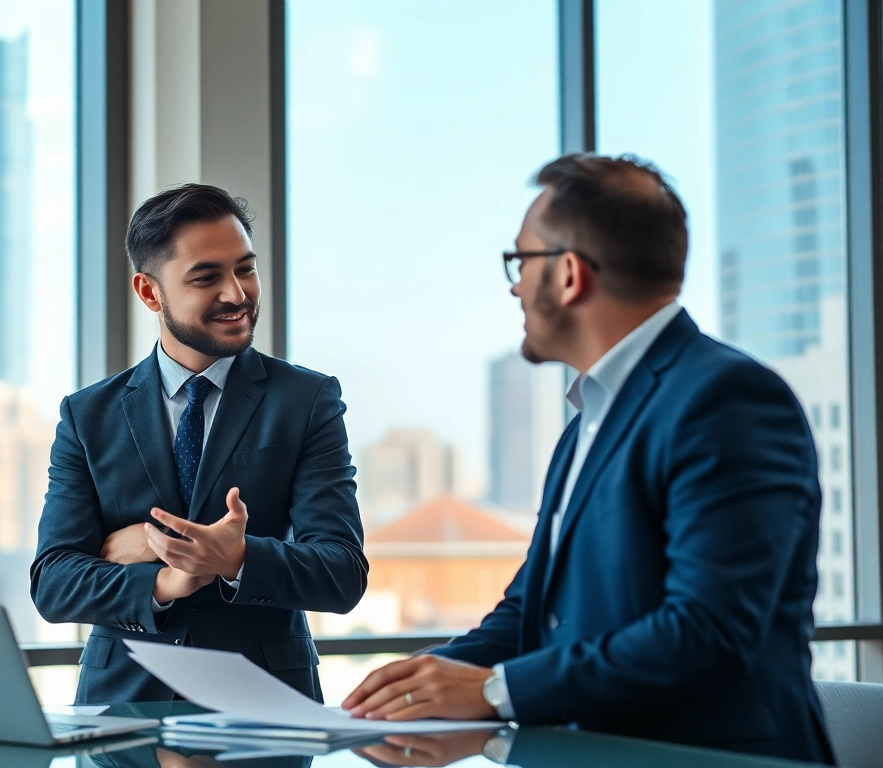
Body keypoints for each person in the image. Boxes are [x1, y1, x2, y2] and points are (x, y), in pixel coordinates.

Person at [342, 154, 835, 763]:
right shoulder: (586, 424)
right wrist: (421, 680)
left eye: (520, 262)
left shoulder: (725, 399)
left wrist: (495, 691)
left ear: (569, 274)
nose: (514, 285)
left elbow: (706, 631)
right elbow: (531, 609)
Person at [31, 183, 368, 705]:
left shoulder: (307, 400)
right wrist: (165, 576)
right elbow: (54, 583)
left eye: (246, 269)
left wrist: (234, 557)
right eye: (207, 277)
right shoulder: (87, 414)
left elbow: (341, 572)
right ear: (149, 292)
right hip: (123, 711)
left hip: (265, 716)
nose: (237, 293)